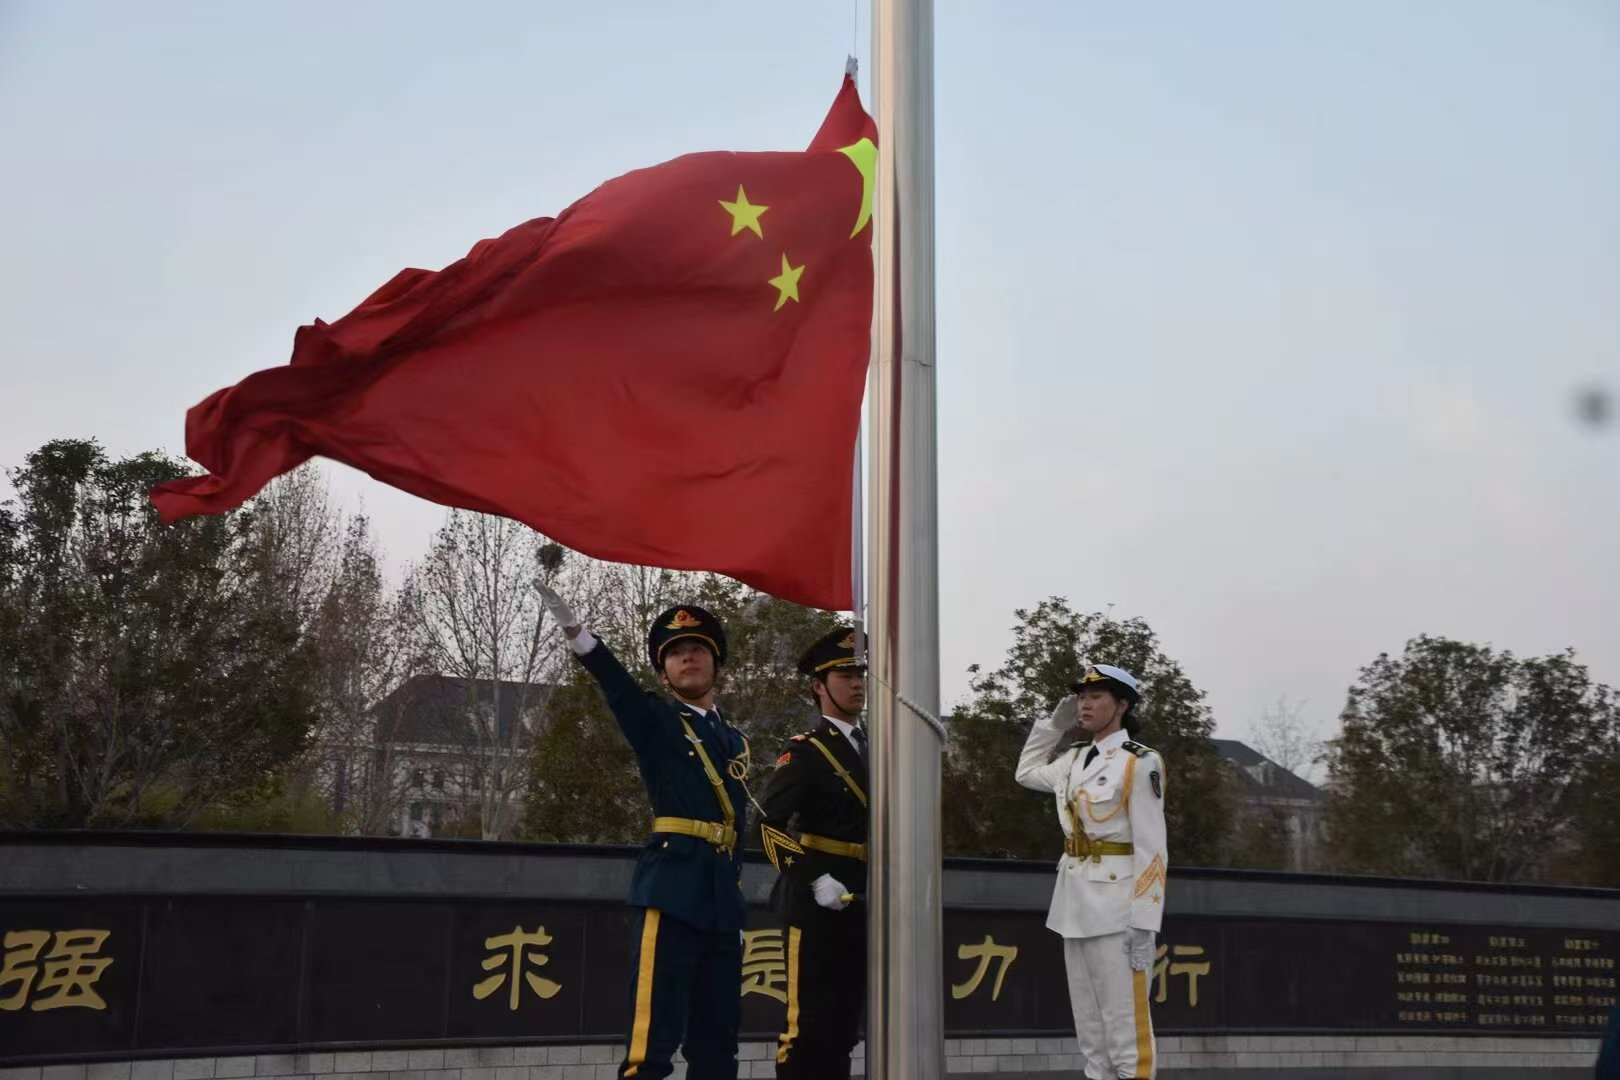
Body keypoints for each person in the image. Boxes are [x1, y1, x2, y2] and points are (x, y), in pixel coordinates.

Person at [538, 584, 749, 1080]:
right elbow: (618, 688)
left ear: (716, 665)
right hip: (672, 891)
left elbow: (737, 824)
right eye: (676, 653)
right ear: (663, 673)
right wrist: (580, 638)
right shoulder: (656, 720)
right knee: (651, 1047)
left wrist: (735, 896)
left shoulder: (734, 739)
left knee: (718, 1050)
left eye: (697, 649)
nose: (688, 657)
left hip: (722, 901)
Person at [1014, 664, 1167, 1080]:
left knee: (1126, 1032)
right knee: (1091, 1033)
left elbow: (1153, 848)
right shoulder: (1074, 758)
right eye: (1081, 697)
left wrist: (1144, 921)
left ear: (1122, 704)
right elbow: (1025, 773)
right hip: (1074, 905)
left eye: (1096, 696)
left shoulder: (1139, 762)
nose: (1085, 704)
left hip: (1118, 910)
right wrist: (1053, 726)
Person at [757, 626, 870, 1080]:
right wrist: (815, 878)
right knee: (805, 1029)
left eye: (860, 674)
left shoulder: (880, 747)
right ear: (819, 686)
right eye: (845, 676)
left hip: (864, 898)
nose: (857, 684)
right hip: (816, 903)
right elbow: (766, 827)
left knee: (844, 1029)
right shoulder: (806, 751)